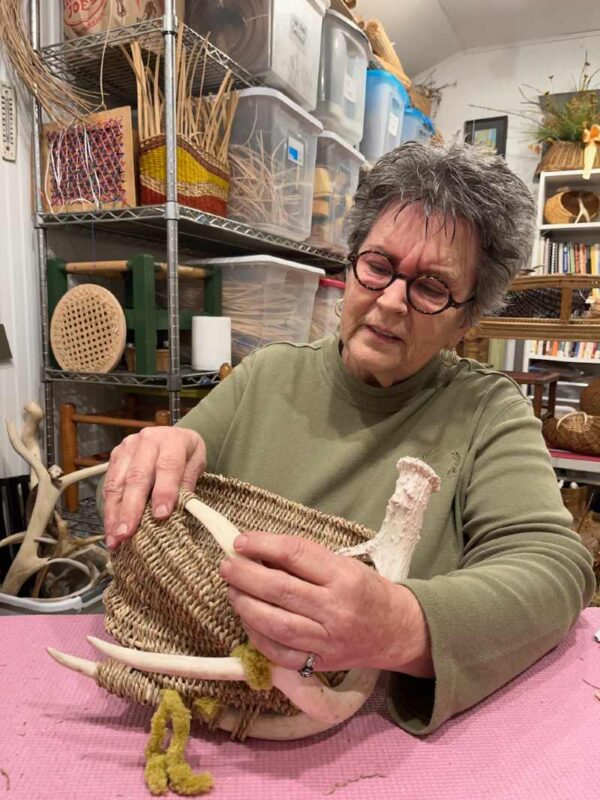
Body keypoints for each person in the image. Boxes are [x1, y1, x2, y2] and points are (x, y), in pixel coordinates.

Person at [101, 140, 595, 736]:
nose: (391, 301)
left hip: (363, 740)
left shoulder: (489, 412)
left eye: (432, 287)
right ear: (350, 264)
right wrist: (155, 454)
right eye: (379, 266)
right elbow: (159, 482)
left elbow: (555, 570)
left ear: (466, 321)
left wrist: (400, 625)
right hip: (212, 706)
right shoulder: (267, 376)